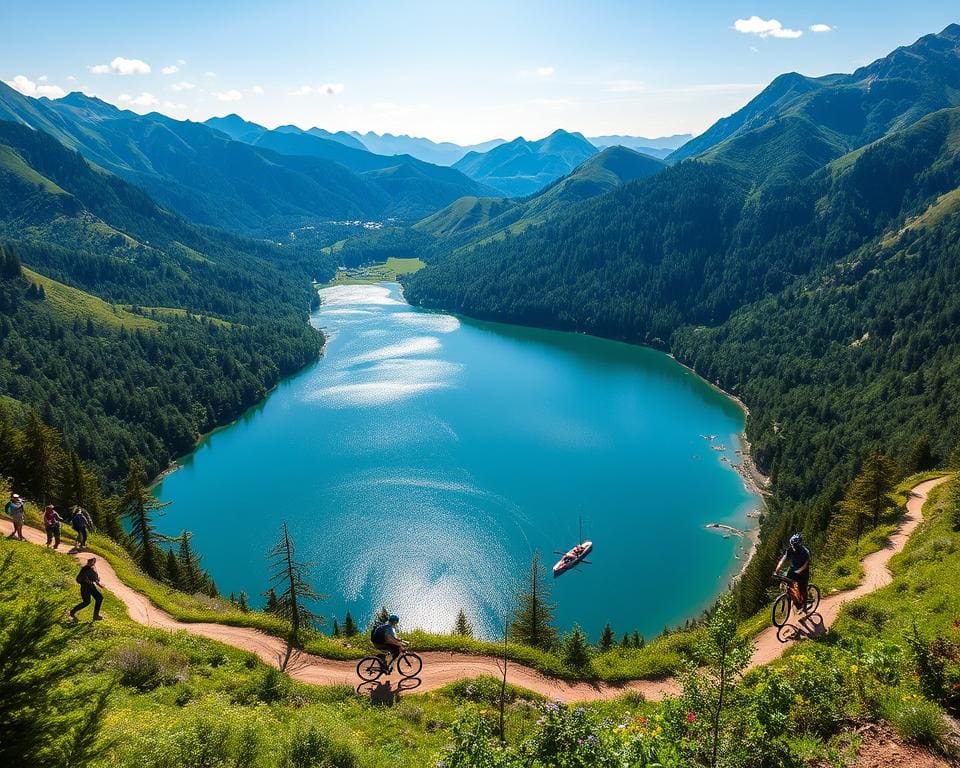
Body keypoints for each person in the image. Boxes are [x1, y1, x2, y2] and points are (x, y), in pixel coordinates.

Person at [775, 533, 811, 608]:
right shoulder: (790, 550)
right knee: (788, 585)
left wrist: (799, 571)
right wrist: (777, 569)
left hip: (803, 572)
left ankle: (805, 605)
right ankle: (796, 601)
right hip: (793, 569)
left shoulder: (805, 552)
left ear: (799, 544)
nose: (793, 546)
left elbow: (806, 564)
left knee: (802, 588)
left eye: (795, 545)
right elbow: (783, 559)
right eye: (792, 544)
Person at [69, 557, 104, 622]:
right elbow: (78, 580)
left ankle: (96, 615)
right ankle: (72, 612)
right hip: (85, 588)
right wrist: (86, 581)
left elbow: (94, 579)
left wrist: (98, 584)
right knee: (86, 602)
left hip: (91, 587)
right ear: (89, 562)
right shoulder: (85, 569)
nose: (94, 563)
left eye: (94, 561)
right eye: (93, 561)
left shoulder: (92, 568)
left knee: (99, 598)